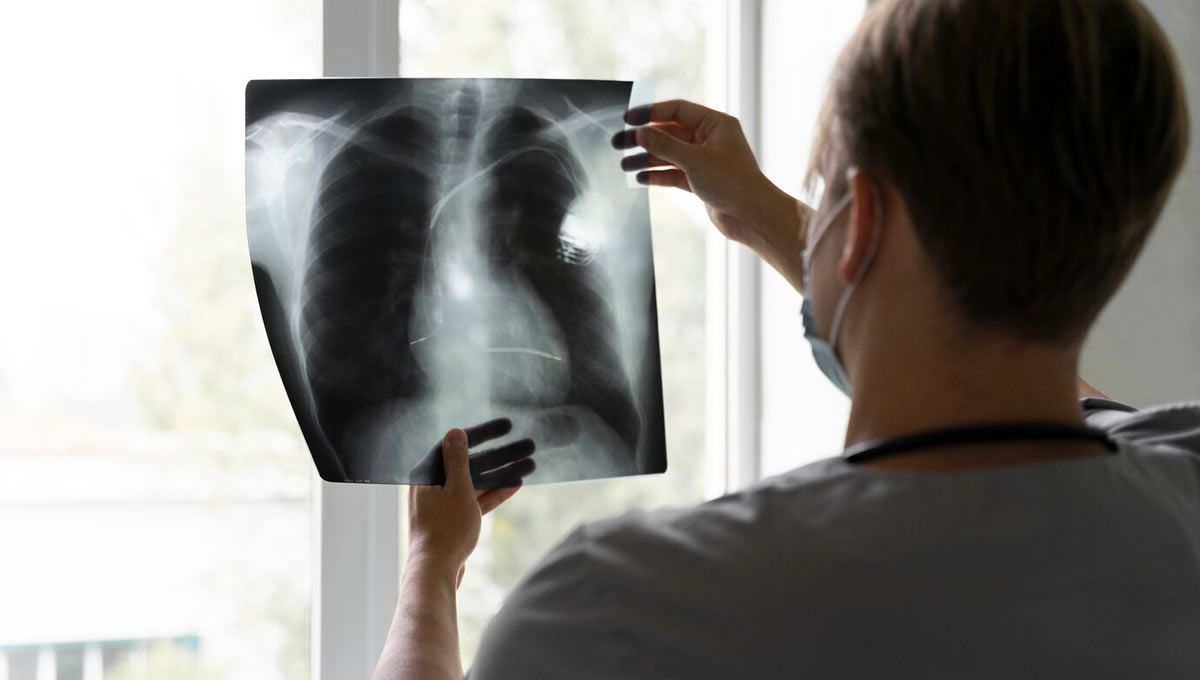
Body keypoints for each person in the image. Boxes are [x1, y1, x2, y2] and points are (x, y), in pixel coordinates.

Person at [373, 0, 1200, 677]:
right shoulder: (1186, 473)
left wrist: (430, 570)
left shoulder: (624, 607)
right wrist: (766, 210)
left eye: (824, 191)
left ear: (864, 220)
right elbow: (1046, 389)